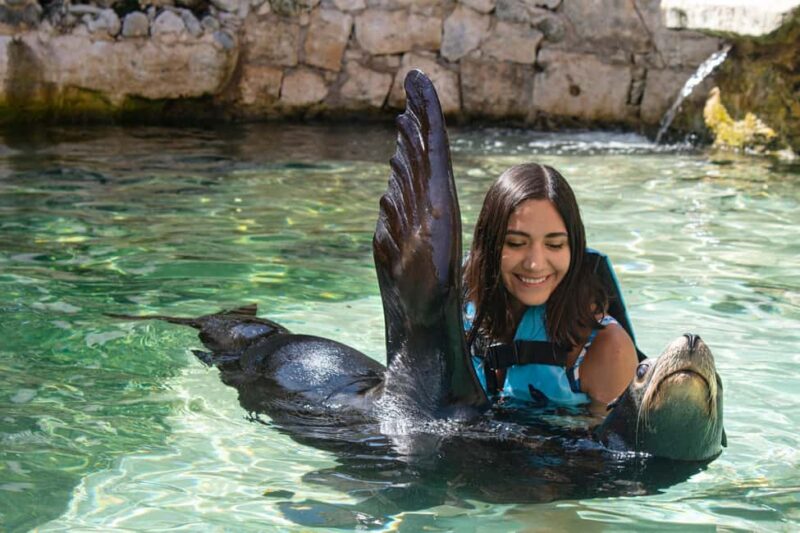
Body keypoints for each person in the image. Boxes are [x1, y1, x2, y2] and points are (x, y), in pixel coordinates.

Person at [463, 162, 639, 412]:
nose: (535, 264)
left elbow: (608, 445)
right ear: (488, 245)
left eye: (555, 245)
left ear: (574, 250)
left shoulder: (608, 349)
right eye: (515, 243)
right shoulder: (456, 318)